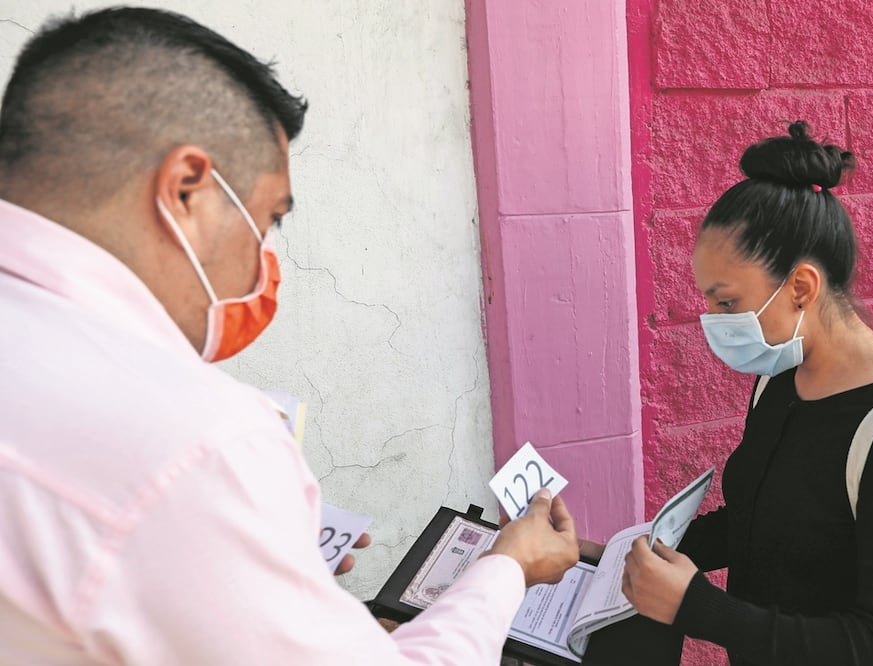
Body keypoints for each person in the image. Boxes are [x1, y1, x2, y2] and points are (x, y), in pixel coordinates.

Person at [0, 7, 578, 665]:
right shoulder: (196, 445)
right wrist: (507, 566)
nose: (263, 261)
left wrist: (267, 575)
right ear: (186, 189)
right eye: (267, 218)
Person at [618, 122, 873, 665]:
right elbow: (760, 522)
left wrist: (698, 608)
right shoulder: (781, 376)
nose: (712, 322)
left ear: (801, 287)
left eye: (727, 303)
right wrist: (624, 557)